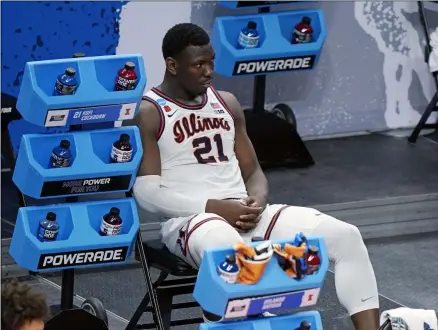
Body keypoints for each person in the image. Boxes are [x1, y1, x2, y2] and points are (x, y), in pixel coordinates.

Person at [132, 23, 380, 330]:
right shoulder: (150, 111)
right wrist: (213, 208)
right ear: (172, 65)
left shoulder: (227, 103)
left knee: (346, 236)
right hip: (191, 221)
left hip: (245, 212)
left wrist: (258, 202)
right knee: (230, 252)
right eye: (198, 65)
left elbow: (253, 171)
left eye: (211, 62)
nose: (209, 71)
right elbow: (146, 193)